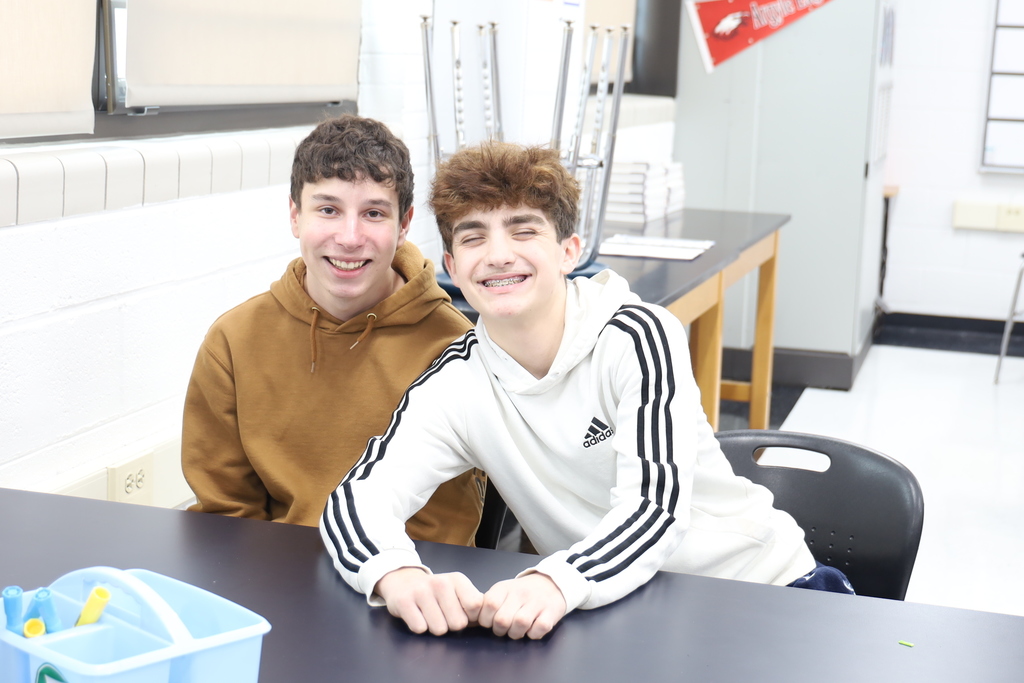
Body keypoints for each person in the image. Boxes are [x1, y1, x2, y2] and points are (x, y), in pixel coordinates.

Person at [320, 142, 852, 641]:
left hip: (764, 594)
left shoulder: (639, 337)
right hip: (621, 610)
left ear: (569, 251)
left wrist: (553, 581)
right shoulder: (456, 381)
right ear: (453, 268)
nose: (499, 255)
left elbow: (653, 510)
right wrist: (394, 572)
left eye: (523, 230)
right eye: (474, 236)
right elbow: (356, 498)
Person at [182, 115, 483, 546]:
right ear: (295, 217)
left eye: (374, 213)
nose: (349, 237)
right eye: (328, 210)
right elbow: (225, 516)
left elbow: (447, 526)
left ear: (404, 225)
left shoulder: (455, 349)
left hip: (415, 588)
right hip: (277, 578)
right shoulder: (233, 342)